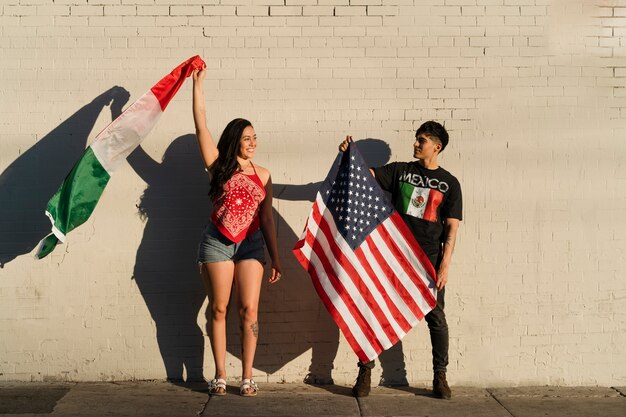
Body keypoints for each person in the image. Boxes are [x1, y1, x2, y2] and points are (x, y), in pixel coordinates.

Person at [339, 121, 462, 399]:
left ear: (437, 146)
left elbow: (452, 228)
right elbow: (365, 175)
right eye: (416, 139)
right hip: (394, 256)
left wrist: (444, 266)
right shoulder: (400, 171)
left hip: (428, 261)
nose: (416, 144)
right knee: (374, 311)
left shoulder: (450, 183)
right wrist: (349, 155)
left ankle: (439, 377)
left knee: (436, 319)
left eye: (422, 140)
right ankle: (365, 370)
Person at [192, 68, 282, 397]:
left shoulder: (265, 174)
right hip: (217, 243)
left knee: (250, 310)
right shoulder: (219, 165)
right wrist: (197, 84)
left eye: (255, 138)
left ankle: (246, 376)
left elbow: (268, 219)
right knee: (218, 307)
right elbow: (201, 124)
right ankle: (219, 374)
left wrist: (275, 258)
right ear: (235, 141)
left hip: (251, 246)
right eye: (247, 138)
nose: (253, 143)